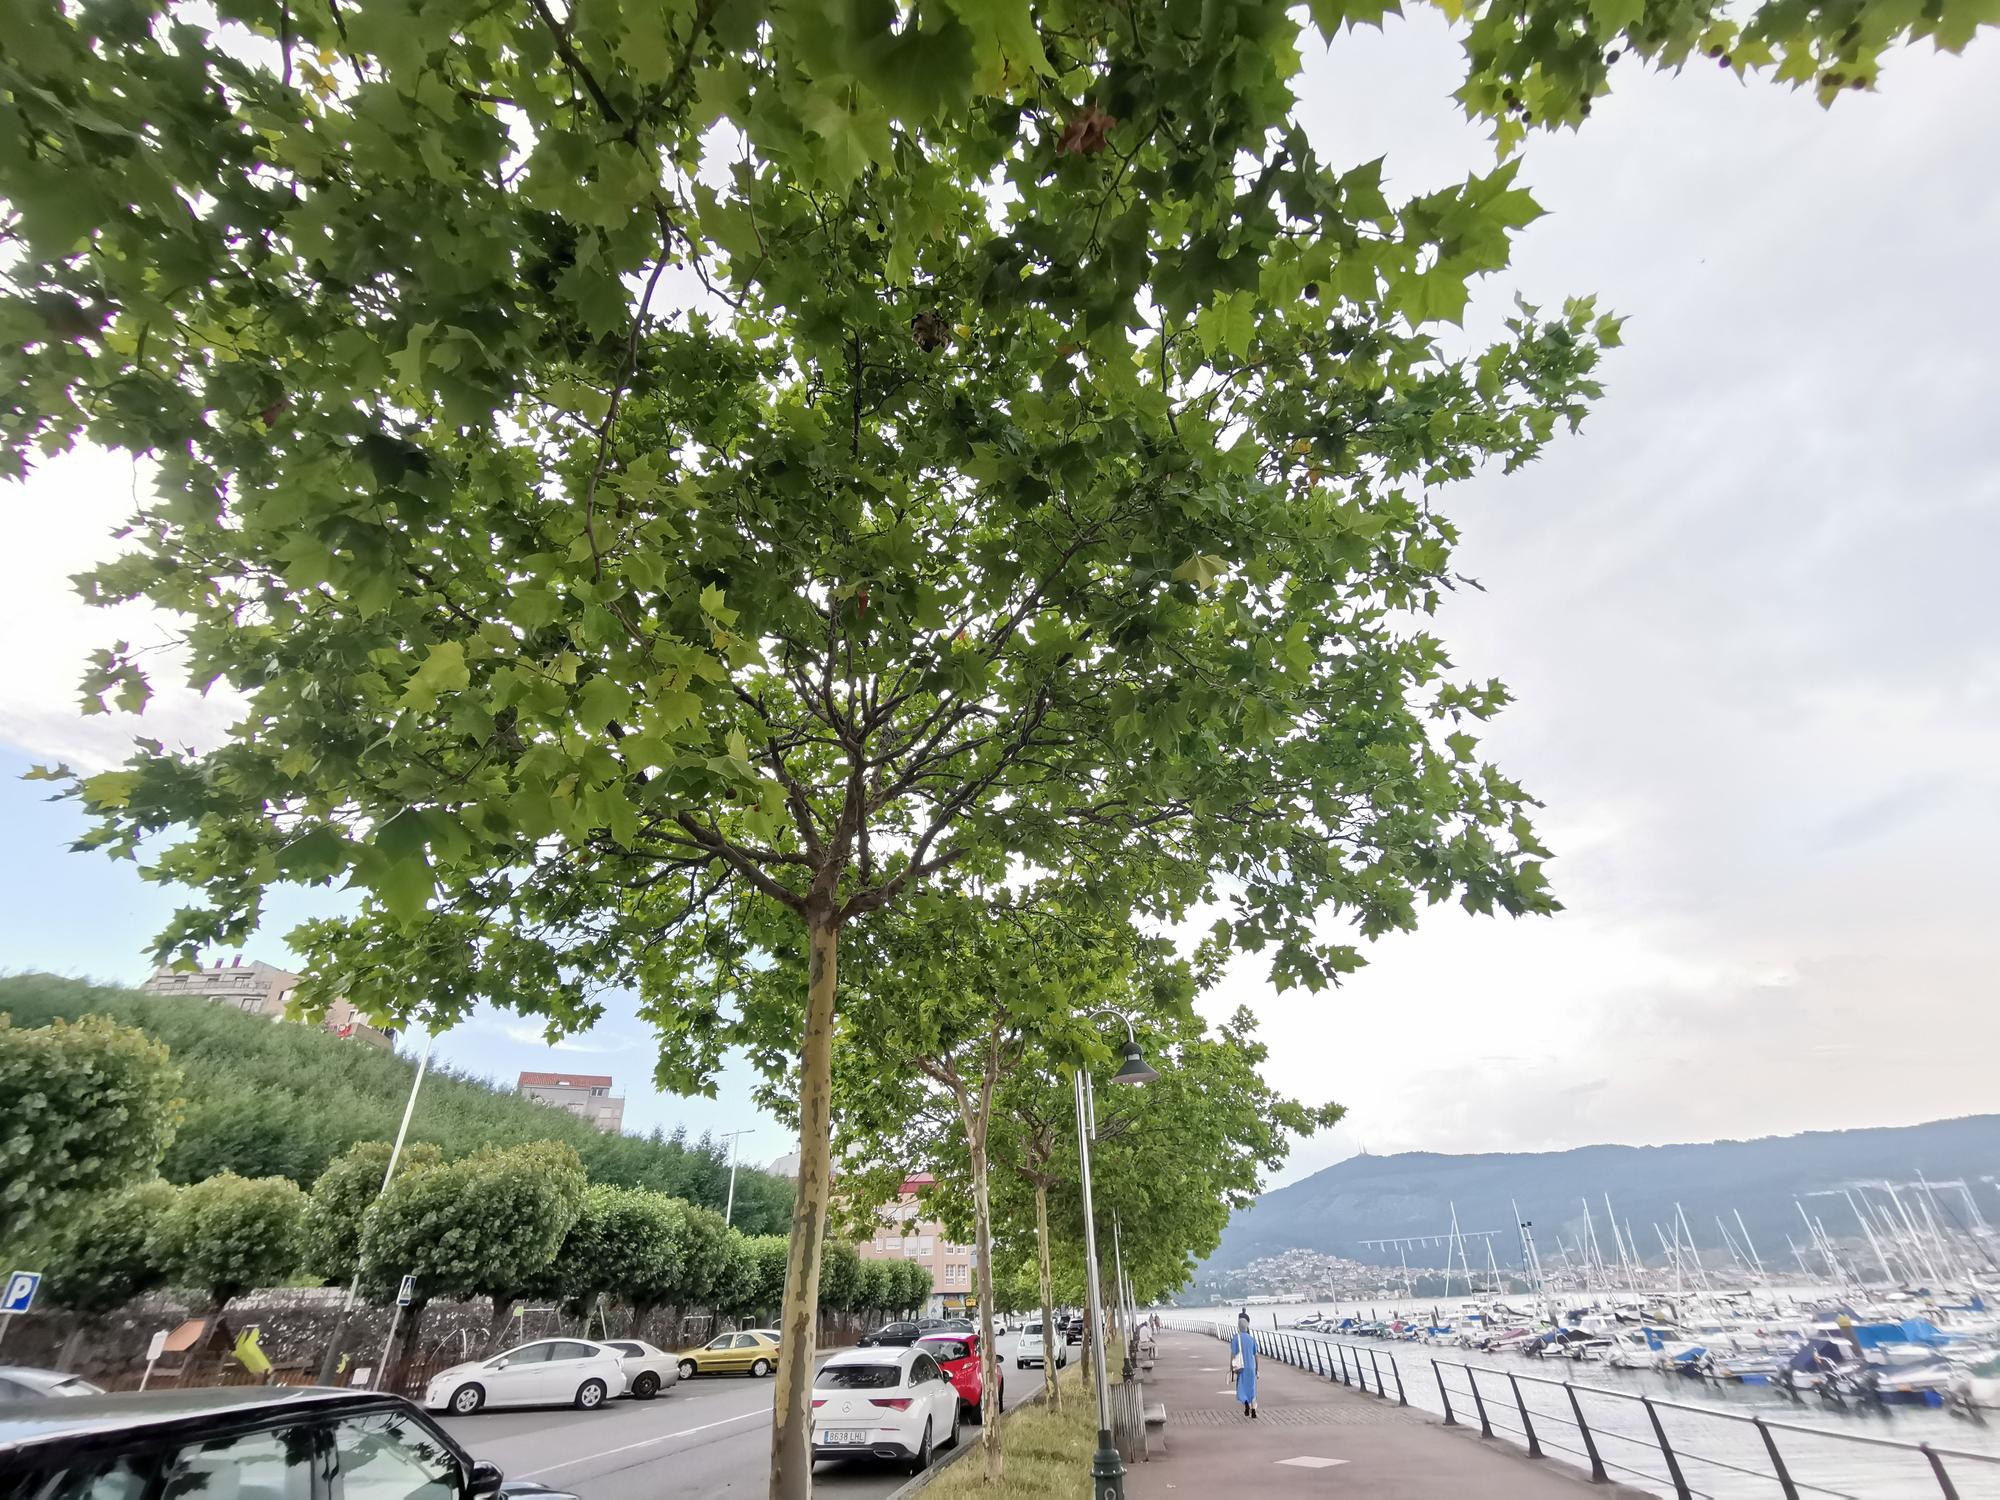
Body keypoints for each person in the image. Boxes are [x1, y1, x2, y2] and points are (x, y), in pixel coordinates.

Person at [1230, 1309, 1259, 1418]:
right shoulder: (1252, 1339)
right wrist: (1257, 1368)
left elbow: (1233, 1354)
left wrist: (1232, 1367)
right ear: (1247, 1326)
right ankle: (1253, 1409)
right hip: (1251, 1367)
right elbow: (1256, 1355)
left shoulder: (1235, 1338)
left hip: (1241, 1367)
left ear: (1238, 1326)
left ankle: (1245, 1403)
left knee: (1242, 1388)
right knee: (1252, 1389)